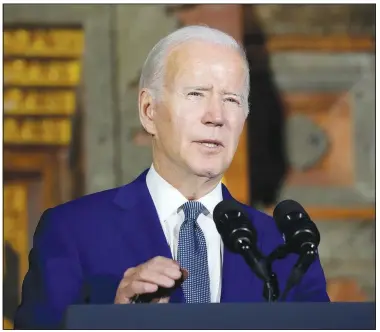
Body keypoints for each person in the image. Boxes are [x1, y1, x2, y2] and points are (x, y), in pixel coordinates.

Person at [14, 25, 329, 329]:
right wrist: (112, 323)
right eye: (196, 94)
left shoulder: (286, 249)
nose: (216, 116)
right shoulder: (72, 231)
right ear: (149, 110)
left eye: (231, 99)